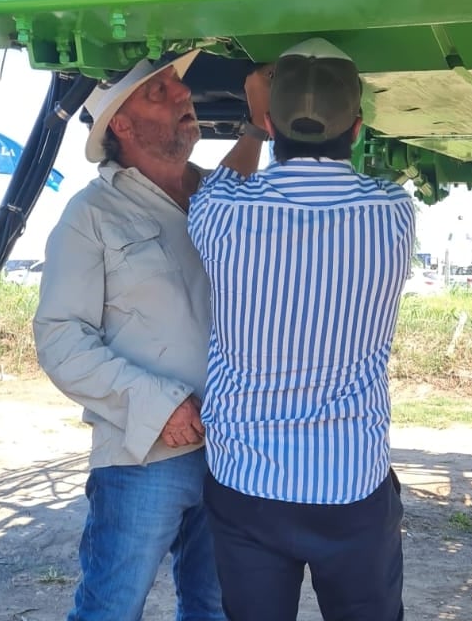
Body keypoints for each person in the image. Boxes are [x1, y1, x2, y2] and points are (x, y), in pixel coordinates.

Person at [33, 49, 268, 621]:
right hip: (144, 453)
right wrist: (158, 404)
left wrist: (260, 130)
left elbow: (242, 183)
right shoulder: (91, 215)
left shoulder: (220, 198)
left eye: (177, 86)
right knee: (111, 609)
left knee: (216, 607)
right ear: (121, 123)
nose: (184, 95)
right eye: (159, 91)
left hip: (233, 450)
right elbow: (60, 338)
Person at [187, 38, 415, 621]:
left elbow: (222, 182)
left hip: (247, 482)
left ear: (268, 122)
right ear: (358, 129)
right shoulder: (392, 214)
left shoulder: (221, 213)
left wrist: (253, 130)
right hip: (351, 483)